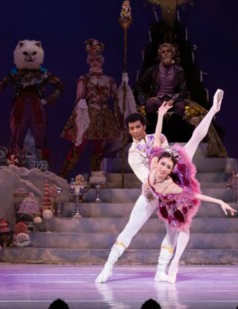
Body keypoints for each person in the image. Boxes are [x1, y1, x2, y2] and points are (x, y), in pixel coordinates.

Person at [95, 89, 225, 283]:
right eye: (131, 129)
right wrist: (154, 184)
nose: (135, 131)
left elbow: (165, 155)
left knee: (173, 229)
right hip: (152, 190)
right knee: (131, 228)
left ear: (143, 126)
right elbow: (147, 177)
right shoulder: (132, 154)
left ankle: (161, 271)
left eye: (137, 127)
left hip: (169, 184)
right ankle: (108, 267)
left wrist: (170, 176)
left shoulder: (159, 140)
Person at [146, 101, 236, 283]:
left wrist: (220, 202)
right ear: (158, 162)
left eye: (167, 167)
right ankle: (168, 265)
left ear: (171, 169)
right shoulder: (156, 163)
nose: (163, 168)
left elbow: (194, 195)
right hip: (167, 201)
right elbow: (156, 138)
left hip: (177, 188)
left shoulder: (171, 182)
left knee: (193, 141)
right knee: (179, 228)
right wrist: (161, 115)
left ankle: (212, 110)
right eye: (163, 164)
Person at [60, 39, 122, 178]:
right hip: (88, 116)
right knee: (78, 146)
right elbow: (79, 99)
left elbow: (117, 97)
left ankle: (96, 178)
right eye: (92, 60)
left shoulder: (109, 80)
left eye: (97, 60)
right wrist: (76, 120)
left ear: (101, 61)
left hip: (104, 116)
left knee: (99, 149)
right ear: (89, 61)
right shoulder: (84, 79)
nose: (95, 62)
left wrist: (124, 88)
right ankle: (62, 177)